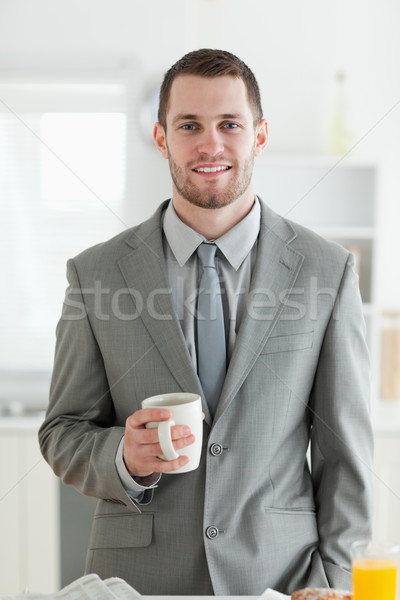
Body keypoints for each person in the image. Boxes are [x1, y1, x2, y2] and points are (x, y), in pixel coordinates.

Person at [39, 49, 373, 596]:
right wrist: (122, 457)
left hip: (282, 579)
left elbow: (346, 457)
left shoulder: (326, 271)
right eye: (189, 125)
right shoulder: (95, 273)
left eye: (230, 125)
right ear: (161, 137)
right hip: (139, 581)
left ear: (259, 136)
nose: (210, 144)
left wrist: (339, 582)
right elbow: (62, 432)